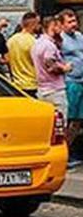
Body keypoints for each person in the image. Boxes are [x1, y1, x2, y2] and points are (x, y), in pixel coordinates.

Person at [57, 9, 83, 161]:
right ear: (61, 24)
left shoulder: (79, 36)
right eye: (70, 22)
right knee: (69, 118)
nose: (74, 24)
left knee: (78, 120)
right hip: (70, 81)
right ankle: (63, 153)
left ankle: (69, 149)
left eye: (75, 21)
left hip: (81, 81)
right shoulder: (60, 39)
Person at [32, 18, 70, 116]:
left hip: (42, 89)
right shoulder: (49, 45)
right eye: (59, 26)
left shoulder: (37, 43)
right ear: (53, 27)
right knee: (60, 123)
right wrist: (65, 68)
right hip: (55, 90)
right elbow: (50, 64)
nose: (61, 29)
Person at [6, 11, 40, 97]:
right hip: (32, 84)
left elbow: (6, 59)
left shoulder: (11, 40)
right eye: (38, 23)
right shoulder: (34, 42)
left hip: (17, 85)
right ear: (34, 25)